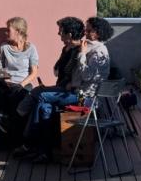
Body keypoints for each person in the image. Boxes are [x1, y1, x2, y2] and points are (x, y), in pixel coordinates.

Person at [15, 17, 90, 162]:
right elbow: (57, 71)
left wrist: (68, 83)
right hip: (61, 89)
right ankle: (43, 153)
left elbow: (79, 75)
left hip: (74, 93)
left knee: (38, 94)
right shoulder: (66, 49)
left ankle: (25, 134)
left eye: (61, 31)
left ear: (69, 34)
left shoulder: (81, 50)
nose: (58, 34)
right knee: (43, 107)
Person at [0, 17, 39, 135]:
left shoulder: (31, 48)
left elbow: (34, 72)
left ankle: (8, 125)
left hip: (23, 83)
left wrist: (21, 84)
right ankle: (9, 130)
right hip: (7, 82)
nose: (6, 33)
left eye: (8, 30)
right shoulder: (4, 47)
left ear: (18, 31)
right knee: (1, 91)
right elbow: (0, 69)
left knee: (21, 93)